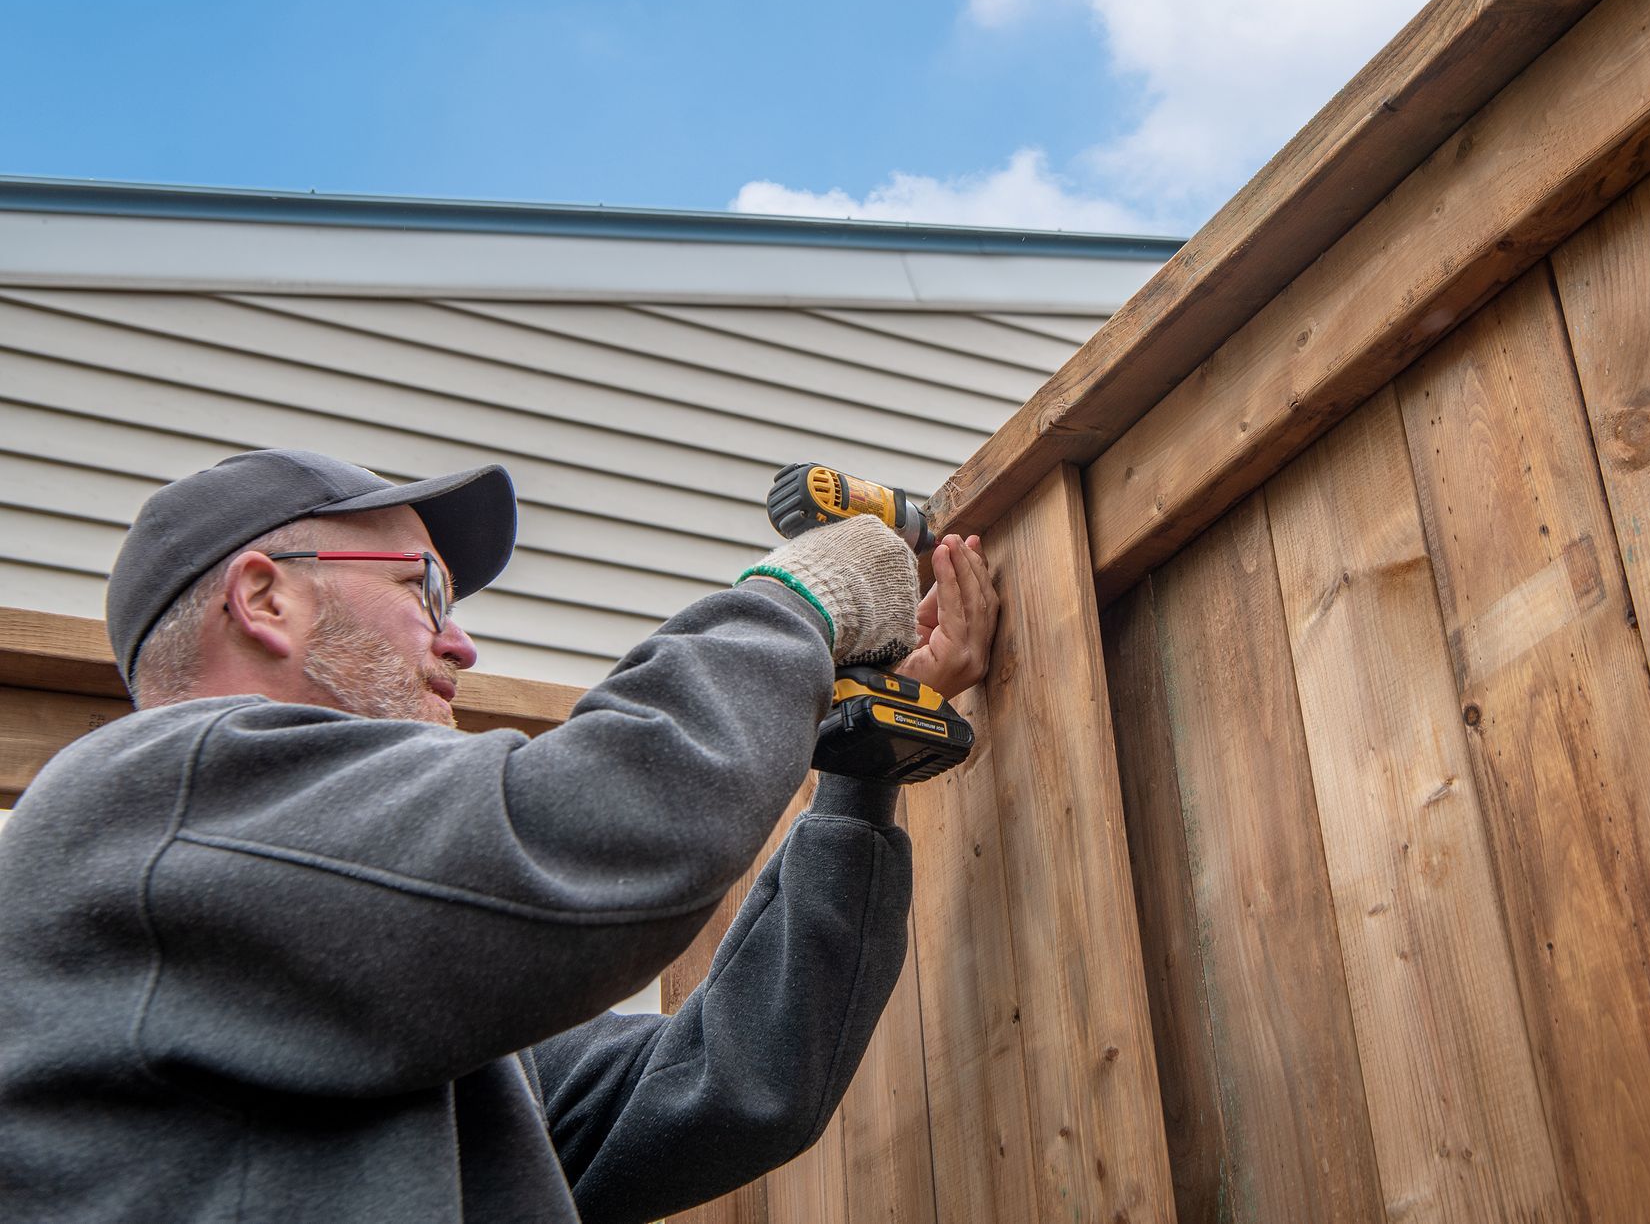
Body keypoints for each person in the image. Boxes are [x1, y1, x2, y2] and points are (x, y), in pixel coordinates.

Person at [0, 448, 998, 1223]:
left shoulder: (396, 1004)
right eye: (422, 589)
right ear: (266, 598)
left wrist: (858, 772)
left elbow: (739, 1079)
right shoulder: (139, 800)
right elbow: (601, 824)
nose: (462, 640)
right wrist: (799, 599)